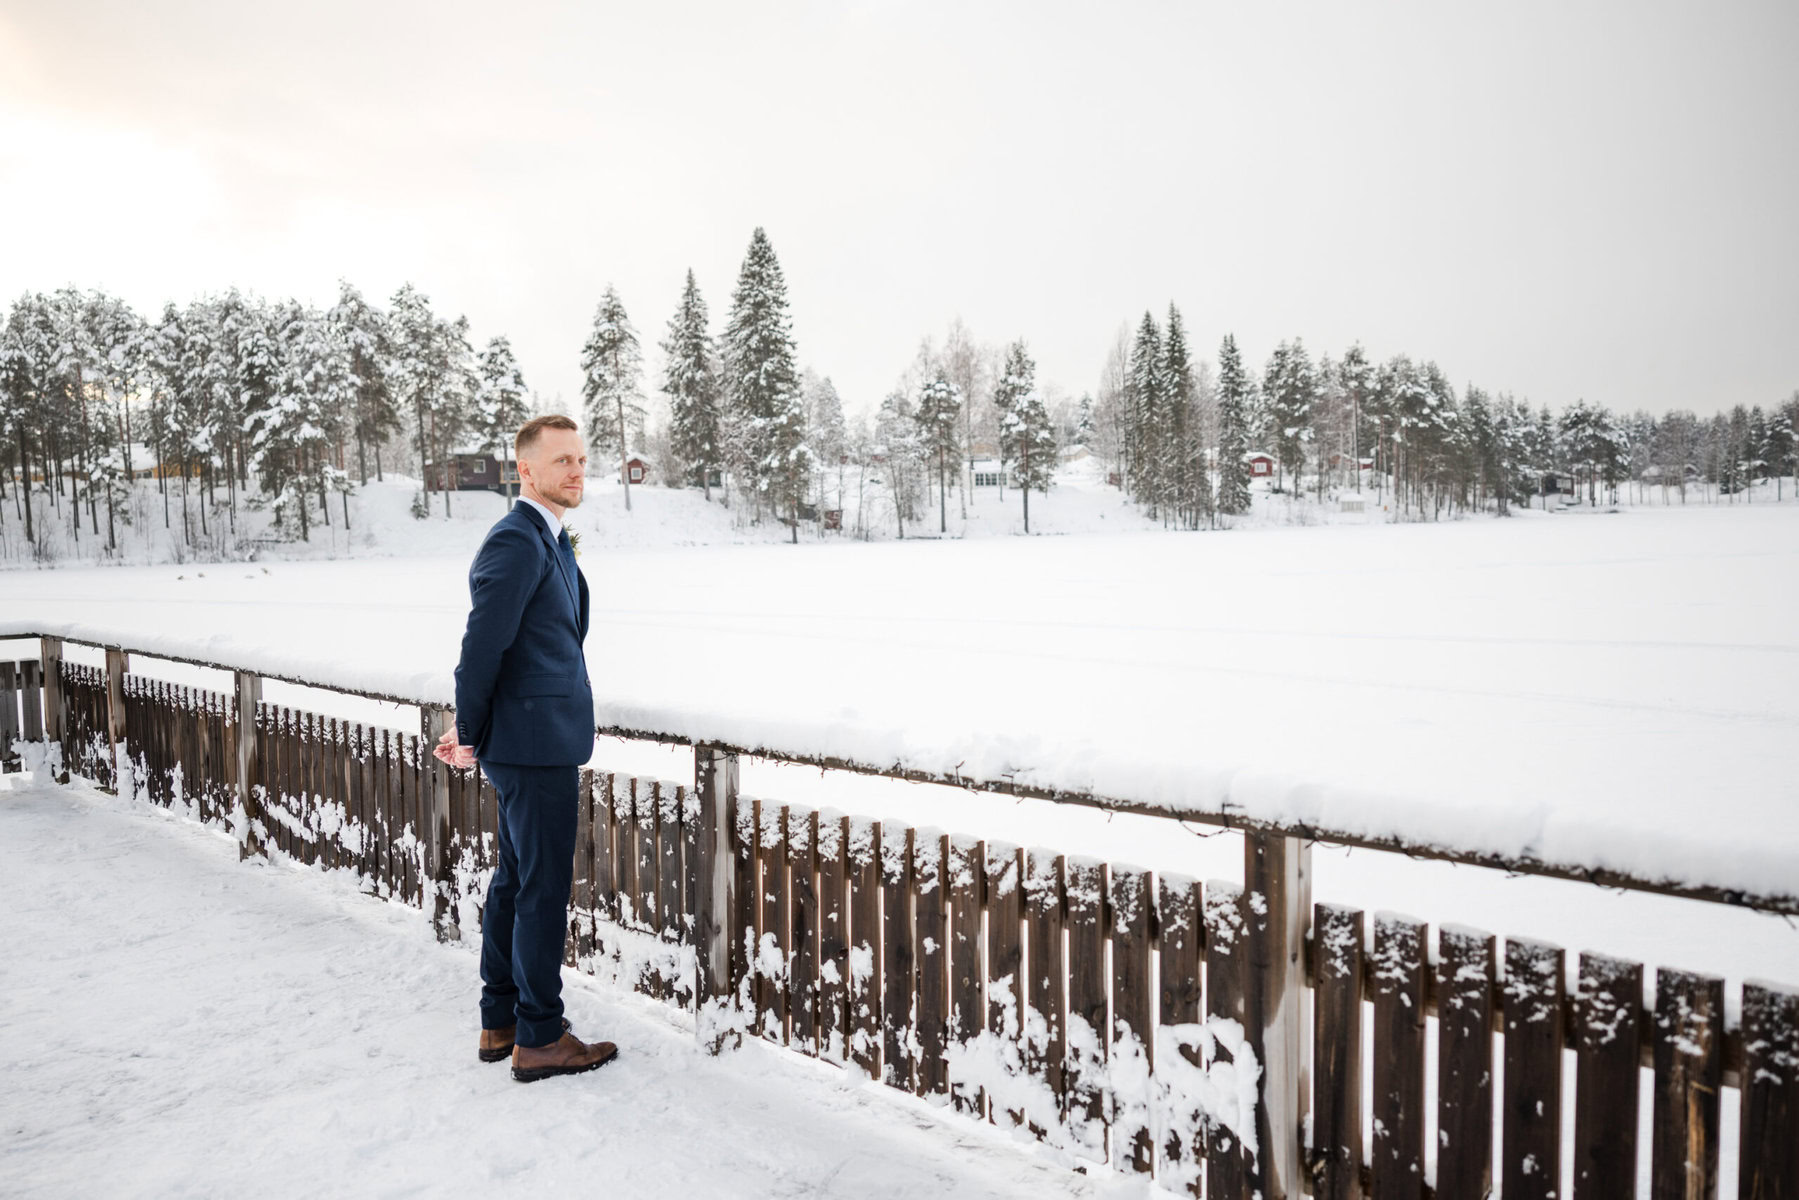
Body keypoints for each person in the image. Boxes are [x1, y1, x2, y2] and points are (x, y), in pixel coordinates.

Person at [433, 414, 618, 1083]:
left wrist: (478, 731)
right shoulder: (515, 541)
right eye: (561, 461)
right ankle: (540, 1035)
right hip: (533, 744)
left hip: (533, 736)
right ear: (526, 471)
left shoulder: (547, 540)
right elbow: (481, 649)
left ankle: (501, 1020)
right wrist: (472, 732)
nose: (576, 471)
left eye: (581, 459)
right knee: (539, 888)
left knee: (516, 880)